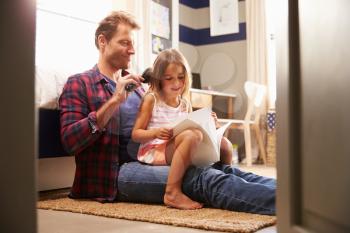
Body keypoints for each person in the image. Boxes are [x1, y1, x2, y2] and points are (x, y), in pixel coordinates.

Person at [59, 10, 276, 215]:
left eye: (133, 44)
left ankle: (294, 191)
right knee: (201, 177)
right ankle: (286, 203)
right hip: (116, 173)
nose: (132, 51)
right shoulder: (80, 83)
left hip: (151, 158)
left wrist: (203, 124)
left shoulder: (139, 88)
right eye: (125, 43)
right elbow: (70, 142)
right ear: (102, 42)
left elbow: (168, 119)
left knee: (225, 170)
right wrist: (115, 100)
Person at [131, 49, 232, 210]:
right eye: (169, 78)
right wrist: (155, 132)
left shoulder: (185, 103)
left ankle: (226, 182)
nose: (176, 83)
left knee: (225, 145)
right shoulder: (152, 99)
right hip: (155, 149)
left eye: (180, 77)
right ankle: (172, 192)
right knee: (191, 136)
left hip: (180, 145)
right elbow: (136, 134)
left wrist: (210, 124)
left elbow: (195, 127)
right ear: (158, 79)